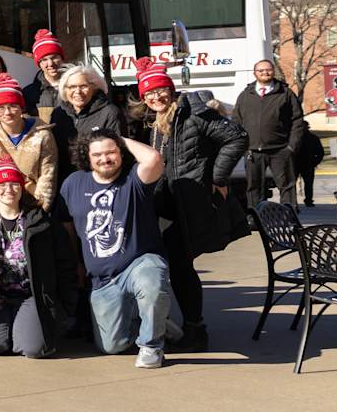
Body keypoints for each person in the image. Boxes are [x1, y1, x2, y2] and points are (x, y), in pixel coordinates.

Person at [130, 61, 245, 352]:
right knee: (167, 266)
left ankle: (196, 329)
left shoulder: (192, 113)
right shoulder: (154, 121)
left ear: (170, 89)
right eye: (149, 94)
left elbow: (237, 137)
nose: (156, 97)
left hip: (187, 203)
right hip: (164, 204)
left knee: (182, 267)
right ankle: (172, 325)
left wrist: (218, 176)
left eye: (160, 91)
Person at [61, 128, 177, 366]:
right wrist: (75, 263)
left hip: (138, 262)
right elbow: (68, 227)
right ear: (87, 157)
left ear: (121, 153)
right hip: (102, 278)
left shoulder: (135, 179)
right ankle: (154, 319)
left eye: (111, 152)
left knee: (151, 278)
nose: (105, 158)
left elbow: (154, 158)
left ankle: (151, 346)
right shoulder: (73, 183)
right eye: (97, 155)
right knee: (111, 346)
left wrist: (118, 138)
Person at [0, 159, 72, 358]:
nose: (9, 189)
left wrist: (64, 307)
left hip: (31, 296)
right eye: (2, 184)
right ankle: (7, 331)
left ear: (22, 188)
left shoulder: (41, 222)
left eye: (14, 184)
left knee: (33, 349)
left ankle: (24, 329)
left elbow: (63, 265)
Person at [0, 76, 59, 208]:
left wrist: (39, 213)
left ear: (21, 107)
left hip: (34, 205)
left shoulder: (42, 135)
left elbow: (48, 178)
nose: (7, 112)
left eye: (13, 106)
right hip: (0, 208)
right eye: (0, 107)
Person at [234, 58, 308, 210]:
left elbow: (297, 121)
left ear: (273, 72)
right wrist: (242, 145)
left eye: (268, 70)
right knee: (253, 188)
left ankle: (289, 217)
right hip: (252, 151)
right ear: (255, 73)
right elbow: (236, 121)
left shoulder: (285, 93)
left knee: (287, 186)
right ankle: (256, 219)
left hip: (280, 150)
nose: (265, 73)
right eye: (261, 70)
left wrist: (291, 147)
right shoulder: (245, 95)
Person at [49, 65, 122, 184]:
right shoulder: (58, 114)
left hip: (99, 182)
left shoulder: (109, 113)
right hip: (65, 183)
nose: (77, 91)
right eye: (72, 86)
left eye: (83, 86)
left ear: (94, 87)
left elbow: (118, 153)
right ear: (65, 90)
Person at [24, 30, 65, 118]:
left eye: (54, 57)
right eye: (44, 60)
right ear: (39, 63)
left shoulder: (77, 86)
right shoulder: (29, 93)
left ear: (62, 58)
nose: (50, 64)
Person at [295, 129, 324, 208]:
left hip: (305, 165)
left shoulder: (312, 138)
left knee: (308, 184)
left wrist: (314, 162)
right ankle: (305, 201)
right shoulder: (294, 136)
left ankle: (308, 200)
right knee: (307, 184)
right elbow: (320, 153)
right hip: (298, 164)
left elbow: (320, 153)